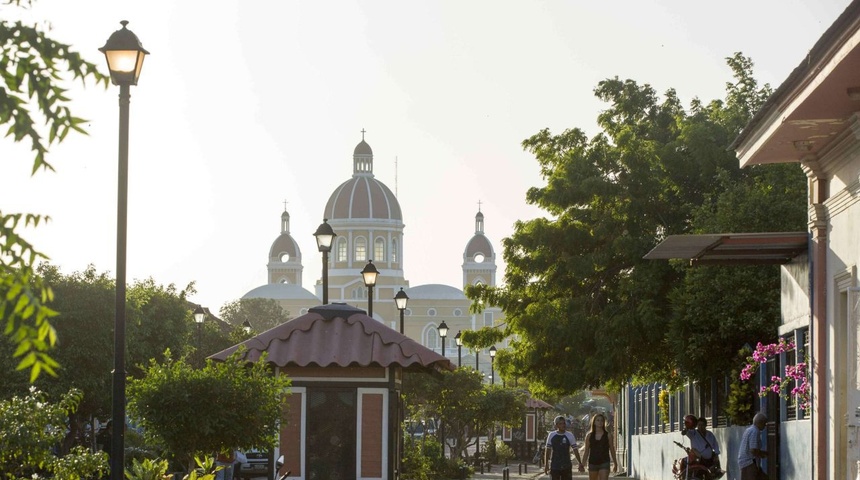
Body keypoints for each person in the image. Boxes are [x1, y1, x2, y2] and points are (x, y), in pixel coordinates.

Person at [544, 415, 585, 480]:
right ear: (556, 425)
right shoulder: (551, 435)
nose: (563, 425)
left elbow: (575, 450)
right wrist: (546, 464)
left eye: (564, 423)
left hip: (566, 465)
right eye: (560, 424)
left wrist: (580, 463)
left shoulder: (569, 435)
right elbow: (548, 450)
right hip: (555, 465)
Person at [580, 412, 618, 480]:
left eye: (602, 420)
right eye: (598, 420)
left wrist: (615, 463)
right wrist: (582, 464)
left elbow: (612, 449)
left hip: (604, 462)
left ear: (604, 422)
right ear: (594, 422)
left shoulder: (608, 435)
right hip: (593, 462)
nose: (600, 422)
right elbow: (586, 451)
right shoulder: (589, 436)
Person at [738, 412, 768, 480]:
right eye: (764, 423)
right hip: (749, 462)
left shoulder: (749, 429)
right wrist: (762, 454)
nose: (765, 426)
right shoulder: (755, 431)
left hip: (746, 462)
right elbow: (753, 450)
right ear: (760, 423)